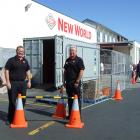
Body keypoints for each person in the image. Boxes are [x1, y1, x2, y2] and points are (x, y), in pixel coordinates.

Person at [5, 46, 31, 124]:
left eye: (22, 51)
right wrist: (8, 82)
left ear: (24, 52)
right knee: (12, 101)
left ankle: (19, 115)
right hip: (13, 83)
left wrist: (29, 81)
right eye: (19, 51)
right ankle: (11, 117)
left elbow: (28, 71)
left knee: (23, 100)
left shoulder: (25, 61)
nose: (21, 52)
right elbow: (6, 71)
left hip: (23, 83)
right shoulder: (11, 60)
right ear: (16, 51)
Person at [64, 46, 85, 119]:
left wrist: (77, 81)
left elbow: (81, 71)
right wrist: (64, 81)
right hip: (68, 84)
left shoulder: (79, 60)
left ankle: (77, 117)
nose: (72, 53)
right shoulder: (67, 60)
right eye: (70, 51)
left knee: (76, 100)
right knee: (70, 100)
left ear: (76, 52)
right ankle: (70, 115)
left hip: (75, 84)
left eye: (73, 51)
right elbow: (65, 71)